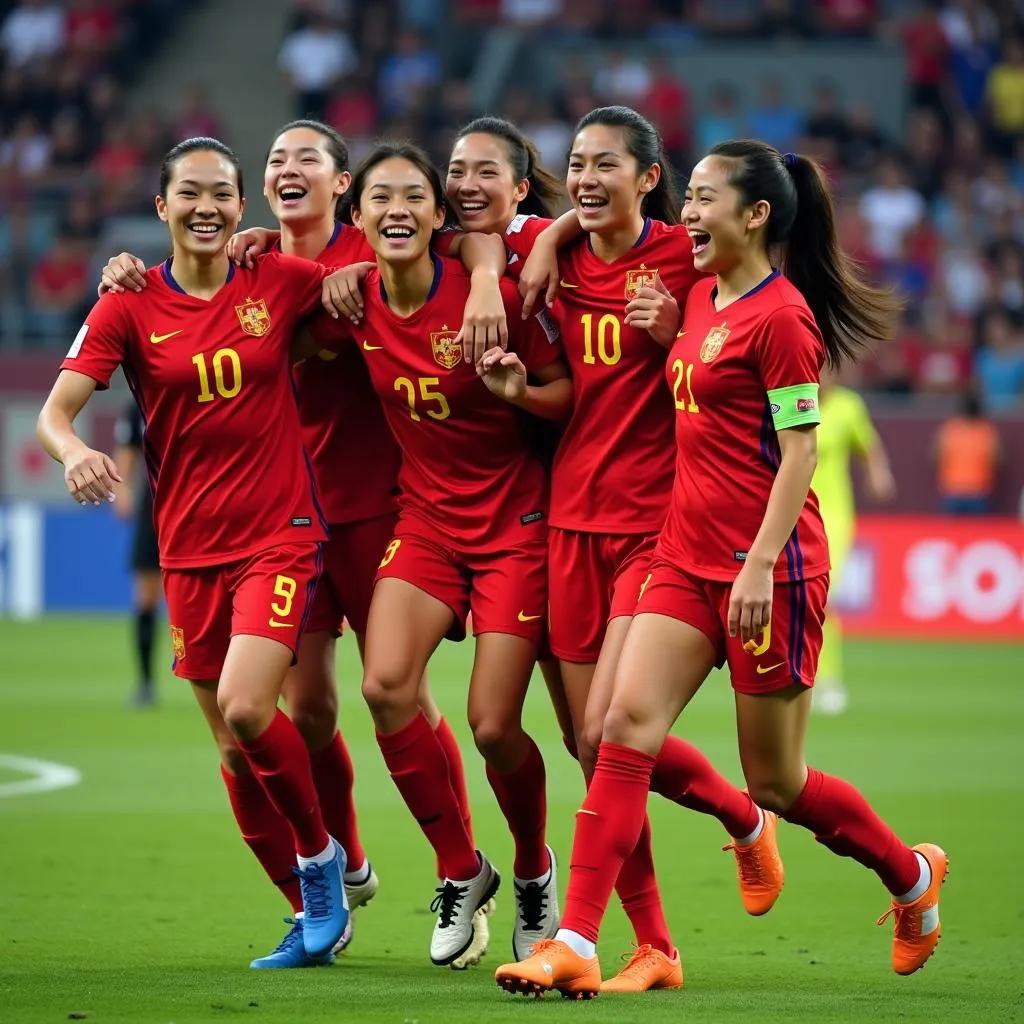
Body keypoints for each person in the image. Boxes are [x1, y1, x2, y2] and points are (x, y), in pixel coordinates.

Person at [496, 140, 947, 998]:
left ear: (757, 215)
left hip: (766, 574)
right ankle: (580, 943)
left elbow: (802, 451)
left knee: (777, 780)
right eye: (688, 198)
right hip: (681, 556)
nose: (689, 215)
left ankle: (912, 876)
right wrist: (575, 255)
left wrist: (759, 564)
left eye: (704, 199)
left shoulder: (784, 321)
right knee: (617, 732)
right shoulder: (698, 296)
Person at [99, 118, 510, 968]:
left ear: (341, 184)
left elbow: (471, 242)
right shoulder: (251, 263)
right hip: (281, 513)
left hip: (379, 509)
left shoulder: (375, 243)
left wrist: (486, 279)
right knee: (309, 709)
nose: (288, 169)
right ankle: (347, 865)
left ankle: (457, 872)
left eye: (307, 159)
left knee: (397, 692)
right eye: (276, 158)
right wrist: (128, 273)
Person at [37, 137, 350, 967]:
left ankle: (324, 866)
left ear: (241, 208)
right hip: (188, 547)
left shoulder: (279, 281)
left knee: (252, 709)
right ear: (162, 207)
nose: (206, 206)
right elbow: (55, 414)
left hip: (278, 535)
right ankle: (307, 909)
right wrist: (75, 454)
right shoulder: (125, 304)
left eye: (222, 193)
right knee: (231, 751)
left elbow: (366, 279)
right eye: (190, 193)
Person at [501, 107, 785, 992]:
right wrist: (546, 241)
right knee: (600, 748)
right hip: (570, 518)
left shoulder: (688, 261)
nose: (585, 179)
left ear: (648, 177)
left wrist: (667, 337)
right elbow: (477, 233)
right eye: (574, 165)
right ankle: (675, 914)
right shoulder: (558, 254)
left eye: (605, 165)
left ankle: (601, 938)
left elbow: (731, 352)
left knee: (607, 732)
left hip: (659, 525)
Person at [309, 141, 573, 969]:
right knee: (385, 687)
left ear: (436, 217)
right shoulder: (349, 300)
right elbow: (268, 272)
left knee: (494, 726)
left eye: (412, 197)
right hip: (425, 524)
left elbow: (564, 395)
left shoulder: (488, 294)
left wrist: (516, 389)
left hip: (513, 524)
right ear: (357, 219)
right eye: (378, 196)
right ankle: (465, 868)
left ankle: (534, 871)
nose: (395, 209)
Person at [813, 370, 896, 714]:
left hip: (833, 516)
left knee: (823, 598)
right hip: (787, 514)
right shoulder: (790, 402)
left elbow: (869, 446)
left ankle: (828, 679)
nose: (823, 378)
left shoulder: (849, 407)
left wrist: (879, 474)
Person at [113, 399, 161, 707]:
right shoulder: (137, 406)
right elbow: (128, 447)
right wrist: (123, 489)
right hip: (154, 506)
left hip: (203, 503)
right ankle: (145, 683)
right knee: (145, 596)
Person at [933, 392, 1001, 515]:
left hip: (953, 489)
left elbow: (936, 456)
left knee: (950, 533)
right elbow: (996, 459)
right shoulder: (987, 431)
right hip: (979, 490)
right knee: (979, 533)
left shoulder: (949, 430)